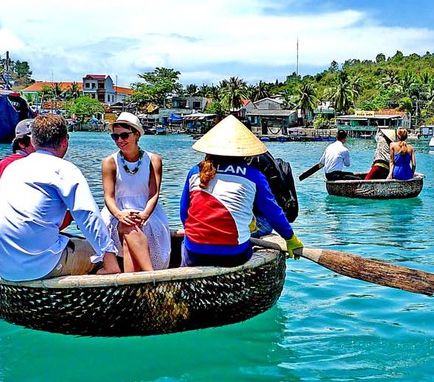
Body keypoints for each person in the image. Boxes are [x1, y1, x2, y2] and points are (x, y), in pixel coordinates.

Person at [0, 113, 121, 281]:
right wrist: (110, 261)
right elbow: (87, 216)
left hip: (3, 266)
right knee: (105, 256)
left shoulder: (11, 169)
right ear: (65, 141)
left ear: (33, 141)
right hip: (41, 266)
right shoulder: (64, 169)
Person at [180, 115, 304, 267]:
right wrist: (291, 238)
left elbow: (184, 214)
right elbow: (273, 212)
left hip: (195, 251)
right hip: (234, 255)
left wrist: (204, 236)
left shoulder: (195, 172)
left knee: (184, 245)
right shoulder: (254, 176)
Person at [101, 112, 171, 271]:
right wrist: (120, 215)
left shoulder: (154, 160)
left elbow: (154, 193)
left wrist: (144, 215)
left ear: (137, 135)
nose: (119, 140)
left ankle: (133, 284)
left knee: (129, 236)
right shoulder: (109, 162)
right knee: (128, 226)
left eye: (124, 135)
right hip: (116, 213)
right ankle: (150, 276)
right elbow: (108, 197)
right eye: (115, 137)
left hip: (147, 211)